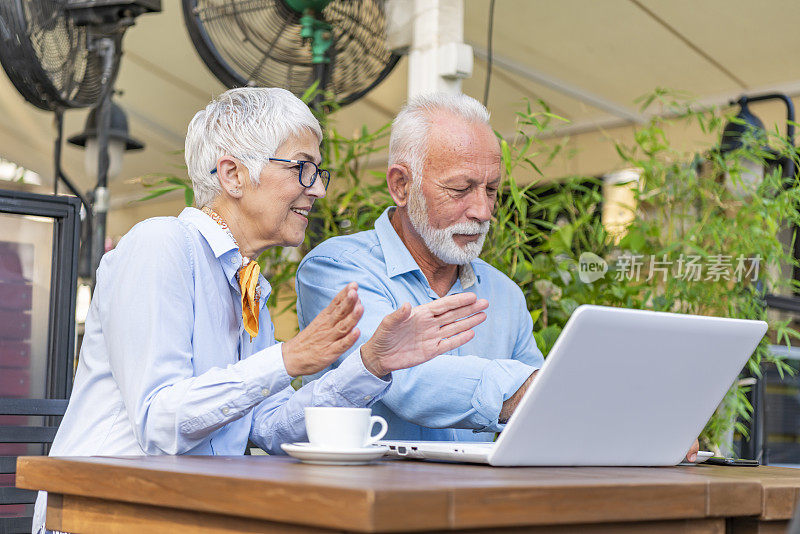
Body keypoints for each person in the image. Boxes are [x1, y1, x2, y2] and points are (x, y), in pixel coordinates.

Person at [32, 88, 488, 533]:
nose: (317, 191)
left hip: (186, 511)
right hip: (101, 513)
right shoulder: (161, 244)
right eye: (302, 169)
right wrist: (286, 359)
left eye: (317, 172)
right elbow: (160, 422)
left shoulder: (248, 287)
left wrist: (370, 365)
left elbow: (271, 429)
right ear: (231, 174)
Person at [295, 92, 700, 461]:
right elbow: (405, 380)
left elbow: (543, 417)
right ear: (401, 186)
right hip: (361, 504)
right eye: (461, 189)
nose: (483, 211)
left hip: (482, 507)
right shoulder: (336, 268)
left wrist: (643, 427)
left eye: (491, 190)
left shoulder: (504, 295)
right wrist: (558, 394)